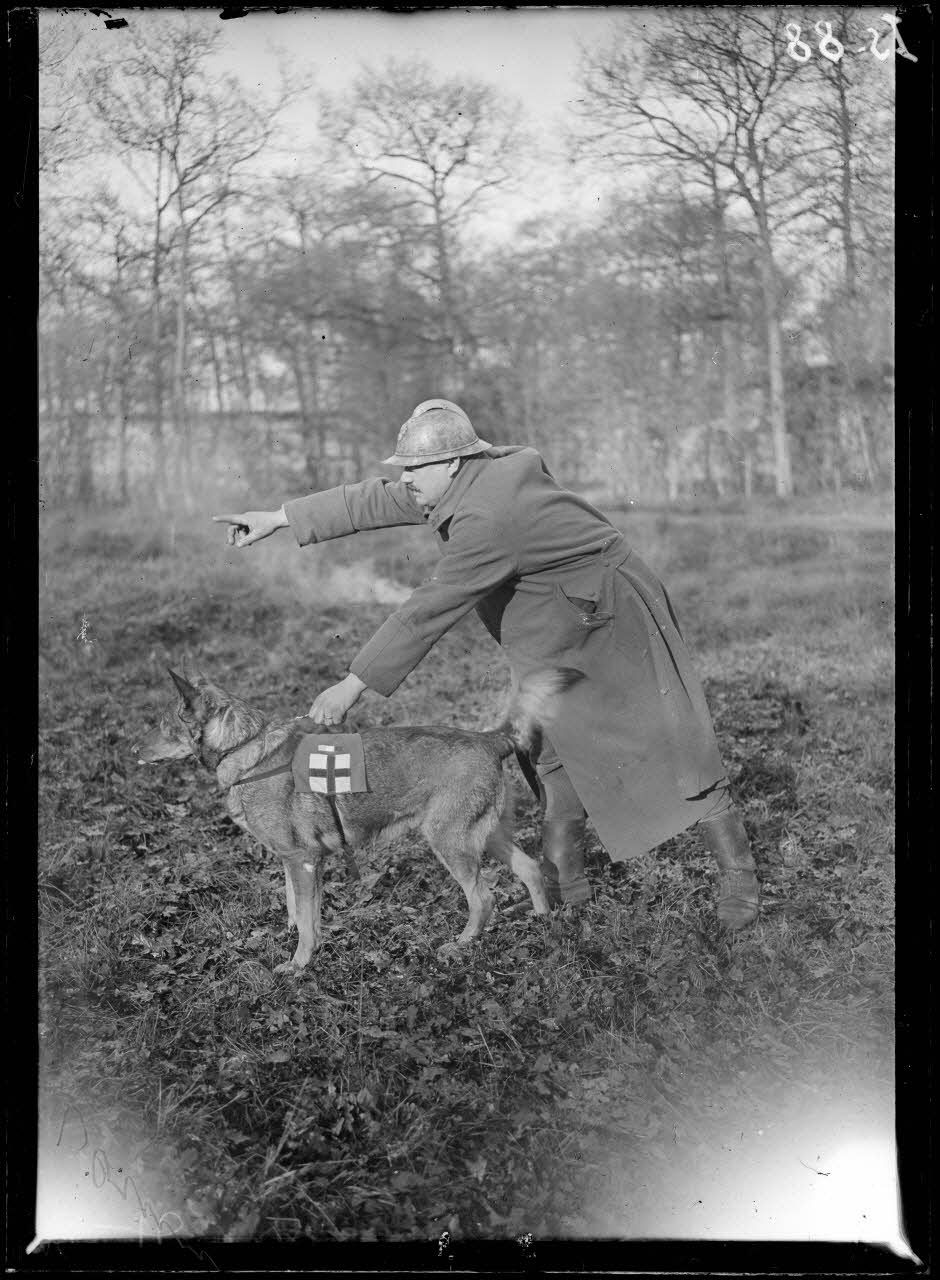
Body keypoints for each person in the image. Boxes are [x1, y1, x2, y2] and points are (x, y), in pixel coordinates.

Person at [213, 399, 760, 927]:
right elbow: (375, 499)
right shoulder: (458, 480)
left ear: (452, 462)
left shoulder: (490, 515)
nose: (405, 480)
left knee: (669, 741)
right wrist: (279, 518)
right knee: (546, 747)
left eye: (415, 469)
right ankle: (565, 888)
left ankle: (740, 875)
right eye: (404, 468)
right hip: (552, 620)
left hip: (612, 619)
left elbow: (429, 608)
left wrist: (352, 684)